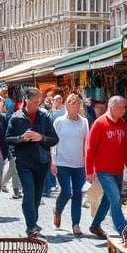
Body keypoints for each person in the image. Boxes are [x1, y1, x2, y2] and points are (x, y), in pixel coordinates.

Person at [5, 86, 59, 237]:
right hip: (24, 162)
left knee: (36, 196)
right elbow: (8, 139)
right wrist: (21, 138)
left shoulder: (45, 116)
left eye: (39, 102)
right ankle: (30, 227)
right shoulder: (16, 118)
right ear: (26, 101)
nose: (38, 105)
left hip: (41, 162)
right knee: (28, 193)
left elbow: (54, 139)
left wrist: (41, 138)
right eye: (35, 102)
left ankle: (33, 222)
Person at [85, 96, 127, 240]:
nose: (124, 110)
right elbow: (90, 149)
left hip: (117, 169)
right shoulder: (99, 124)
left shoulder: (122, 124)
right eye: (122, 107)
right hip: (103, 170)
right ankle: (123, 229)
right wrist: (89, 171)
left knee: (108, 200)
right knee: (115, 197)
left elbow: (126, 149)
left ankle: (95, 225)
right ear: (112, 107)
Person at [52, 93, 89, 236]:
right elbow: (53, 144)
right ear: (66, 105)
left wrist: (88, 163)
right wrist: (53, 162)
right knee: (67, 191)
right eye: (71, 103)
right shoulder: (59, 122)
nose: (74, 106)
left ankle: (76, 224)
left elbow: (87, 144)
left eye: (77, 104)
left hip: (79, 164)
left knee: (78, 194)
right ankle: (58, 210)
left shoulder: (84, 122)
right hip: (62, 162)